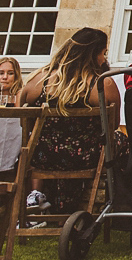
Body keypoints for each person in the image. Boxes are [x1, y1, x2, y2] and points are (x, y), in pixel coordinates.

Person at [19, 27, 122, 212]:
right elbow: (112, 126)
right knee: (121, 141)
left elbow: (22, 121)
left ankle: (41, 200)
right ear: (93, 54)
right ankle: (120, 203)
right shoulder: (101, 84)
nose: (104, 59)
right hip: (83, 158)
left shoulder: (38, 80)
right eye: (103, 53)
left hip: (43, 158)